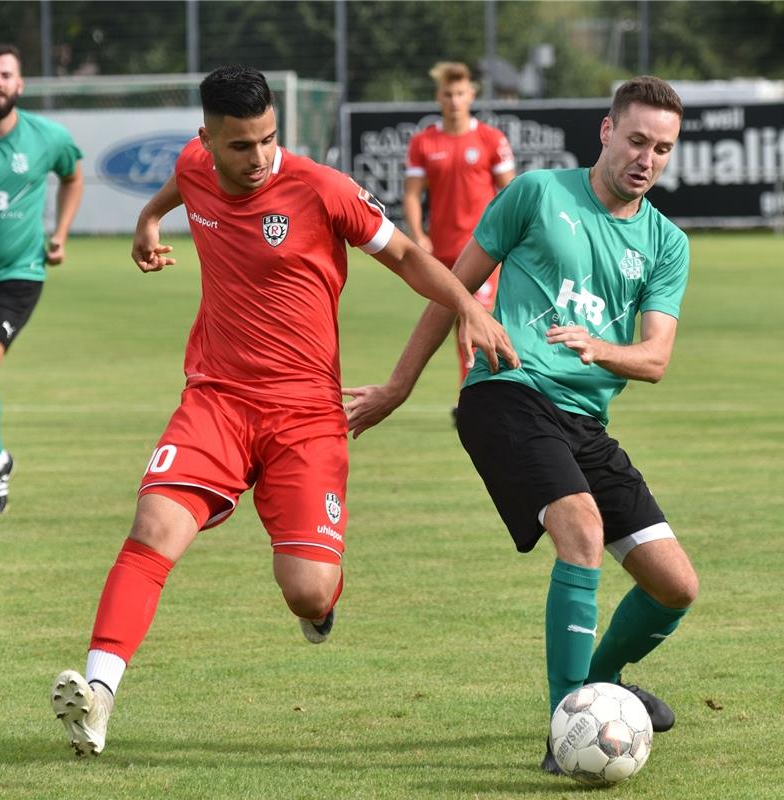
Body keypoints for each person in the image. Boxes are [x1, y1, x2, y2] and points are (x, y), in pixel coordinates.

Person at [50, 65, 518, 758]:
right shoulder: (196, 164)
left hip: (306, 415)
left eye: (269, 139)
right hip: (216, 397)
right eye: (241, 146)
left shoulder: (322, 189)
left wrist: (465, 308)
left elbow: (408, 258)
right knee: (153, 528)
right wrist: (149, 221)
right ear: (206, 138)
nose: (259, 157)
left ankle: (323, 604)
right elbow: (181, 187)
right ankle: (98, 696)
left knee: (305, 590)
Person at [345, 76, 699, 776]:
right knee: (581, 531)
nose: (646, 159)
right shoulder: (537, 194)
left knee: (674, 587)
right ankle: (567, 725)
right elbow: (450, 289)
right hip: (504, 393)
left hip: (584, 421)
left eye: (661, 148)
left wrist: (600, 348)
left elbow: (654, 358)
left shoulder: (665, 243)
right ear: (605, 131)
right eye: (635, 140)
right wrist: (394, 387)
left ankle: (593, 689)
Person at [0, 43, 84, 512]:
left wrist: (61, 233)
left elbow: (72, 175)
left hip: (18, 273)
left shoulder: (48, 137)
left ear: (20, 84)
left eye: (6, 75)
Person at [404, 62, 516, 403]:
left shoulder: (490, 139)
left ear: (472, 95)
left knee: (477, 319)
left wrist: (506, 236)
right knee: (452, 327)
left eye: (460, 93)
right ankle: (474, 396)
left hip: (481, 251)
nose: (454, 100)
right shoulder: (424, 142)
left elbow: (509, 194)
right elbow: (411, 193)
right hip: (442, 253)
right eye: (448, 94)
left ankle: (480, 398)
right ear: (439, 97)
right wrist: (418, 235)